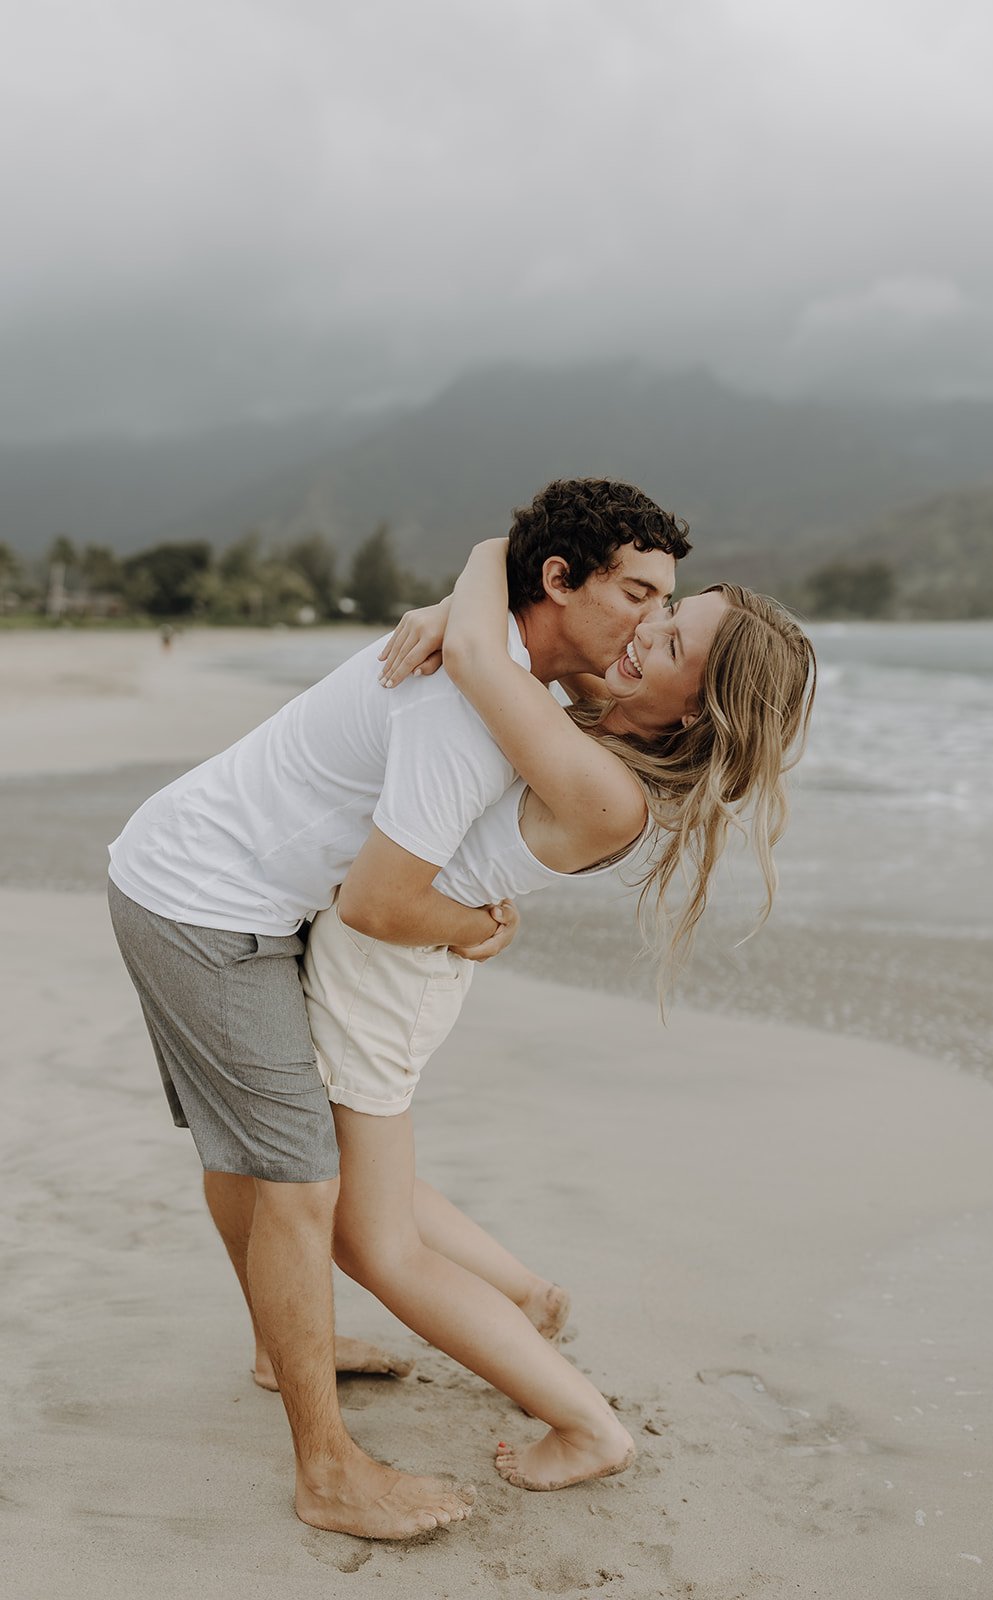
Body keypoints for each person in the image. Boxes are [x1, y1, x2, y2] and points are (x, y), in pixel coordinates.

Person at [106, 479, 689, 1541]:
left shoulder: (495, 674)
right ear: (557, 580)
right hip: (205, 904)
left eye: (667, 608)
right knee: (294, 1183)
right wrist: (474, 926)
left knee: (257, 1159)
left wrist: (467, 589)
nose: (648, 623)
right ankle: (325, 1470)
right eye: (637, 593)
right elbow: (379, 902)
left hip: (221, 887)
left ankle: (287, 1346)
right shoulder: (467, 704)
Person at [302, 536, 817, 1493]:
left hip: (384, 980)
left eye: (666, 649)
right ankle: (522, 1293)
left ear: (695, 714)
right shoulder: (592, 740)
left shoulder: (602, 789)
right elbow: (488, 662)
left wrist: (480, 566)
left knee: (368, 1240)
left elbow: (474, 660)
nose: (638, 635)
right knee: (350, 1175)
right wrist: (451, 617)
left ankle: (584, 1424)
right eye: (659, 615)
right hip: (392, 968)